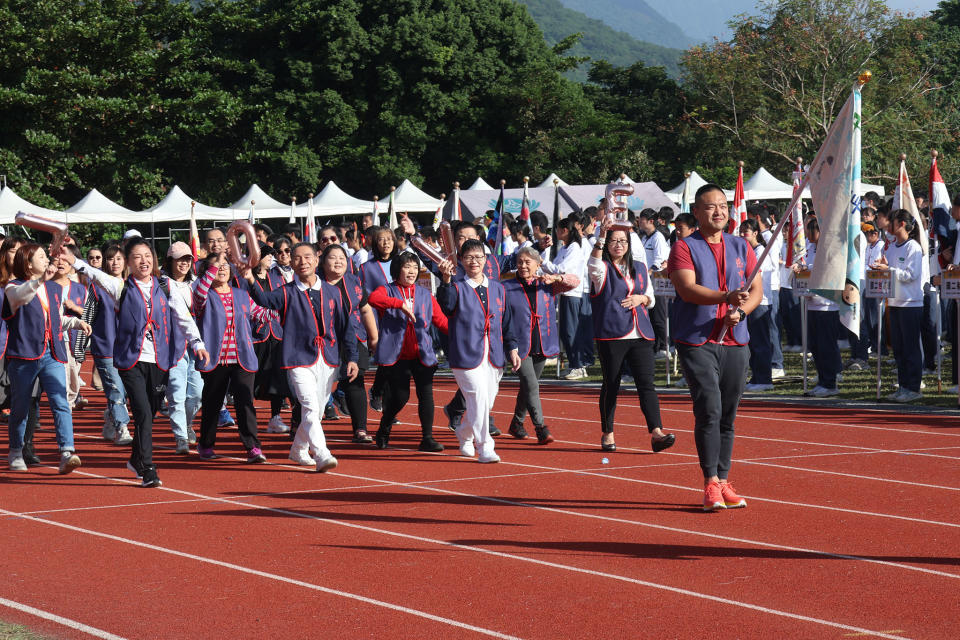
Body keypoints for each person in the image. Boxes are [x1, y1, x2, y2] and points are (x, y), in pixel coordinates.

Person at [69, 239, 210, 488]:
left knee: (151, 413)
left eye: (147, 256)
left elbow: (184, 316)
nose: (143, 261)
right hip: (131, 360)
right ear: (128, 262)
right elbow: (96, 275)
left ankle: (135, 459)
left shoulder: (165, 287)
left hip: (159, 360)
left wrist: (197, 343)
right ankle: (147, 468)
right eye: (136, 257)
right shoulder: (120, 286)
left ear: (154, 260)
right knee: (143, 412)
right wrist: (76, 263)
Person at [668, 184, 761, 511]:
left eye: (723, 206)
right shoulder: (684, 247)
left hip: (736, 340)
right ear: (697, 212)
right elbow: (688, 289)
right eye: (710, 207)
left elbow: (757, 291)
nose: (719, 212)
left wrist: (741, 311)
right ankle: (709, 482)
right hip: (698, 339)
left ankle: (723, 479)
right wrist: (725, 298)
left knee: (728, 413)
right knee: (709, 406)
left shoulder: (741, 246)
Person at [245, 242, 359, 472]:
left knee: (315, 411)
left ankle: (298, 449)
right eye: (296, 258)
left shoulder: (333, 292)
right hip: (297, 358)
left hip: (327, 357)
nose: (302, 262)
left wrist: (353, 357)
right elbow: (264, 301)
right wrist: (249, 279)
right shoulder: (287, 292)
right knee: (308, 404)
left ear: (317, 260)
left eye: (307, 257)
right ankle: (322, 453)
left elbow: (346, 327)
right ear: (291, 264)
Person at [4, 244, 92, 473]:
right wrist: (39, 280)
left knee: (60, 400)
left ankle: (66, 451)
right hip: (24, 355)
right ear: (27, 262)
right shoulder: (13, 287)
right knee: (21, 406)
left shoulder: (54, 288)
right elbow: (22, 298)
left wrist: (76, 322)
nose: (47, 260)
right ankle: (15, 450)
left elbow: (56, 319)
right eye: (41, 257)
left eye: (46, 256)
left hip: (52, 353)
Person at [589, 219, 674, 453]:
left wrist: (642, 299)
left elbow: (651, 296)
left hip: (640, 333)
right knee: (612, 384)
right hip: (612, 334)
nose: (619, 245)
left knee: (646, 384)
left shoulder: (639, 267)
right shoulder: (602, 268)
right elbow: (593, 263)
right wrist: (601, 235)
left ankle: (656, 432)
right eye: (614, 241)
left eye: (623, 241)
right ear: (607, 244)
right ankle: (608, 432)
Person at [437, 239, 519, 463]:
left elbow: (507, 322)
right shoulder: (455, 288)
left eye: (479, 257)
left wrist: (513, 348)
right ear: (461, 261)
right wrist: (445, 279)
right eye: (469, 257)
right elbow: (446, 305)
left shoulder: (498, 288)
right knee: (479, 397)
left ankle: (464, 433)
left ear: (486, 260)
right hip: (465, 354)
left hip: (494, 353)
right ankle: (485, 447)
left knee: (485, 402)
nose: (474, 261)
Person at [193, 253, 273, 461]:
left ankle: (253, 447)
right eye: (216, 266)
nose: (222, 268)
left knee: (245, 402)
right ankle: (206, 444)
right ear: (207, 272)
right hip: (215, 360)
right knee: (212, 403)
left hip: (242, 358)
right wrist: (218, 257)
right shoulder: (203, 296)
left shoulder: (241, 294)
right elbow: (200, 292)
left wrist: (280, 313)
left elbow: (259, 313)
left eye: (225, 266)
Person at [367, 252, 448, 451]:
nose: (411, 271)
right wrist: (399, 304)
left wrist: (465, 331)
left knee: (426, 394)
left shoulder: (425, 294)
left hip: (422, 353)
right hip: (397, 355)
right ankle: (385, 426)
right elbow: (373, 298)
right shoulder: (386, 290)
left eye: (414, 267)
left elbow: (441, 322)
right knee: (401, 396)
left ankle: (427, 438)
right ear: (397, 270)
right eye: (406, 267)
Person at [501, 247, 560, 445]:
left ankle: (517, 424)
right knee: (531, 384)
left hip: (542, 341)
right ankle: (541, 428)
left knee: (527, 387)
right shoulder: (506, 287)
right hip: (518, 345)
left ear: (538, 264)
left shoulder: (546, 283)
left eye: (528, 262)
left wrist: (557, 278)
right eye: (520, 262)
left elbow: (575, 282)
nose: (523, 266)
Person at [320, 243, 378, 443]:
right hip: (324, 340)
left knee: (356, 381)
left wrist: (374, 337)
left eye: (342, 258)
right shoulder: (316, 283)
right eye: (333, 257)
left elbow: (365, 309)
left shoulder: (353, 282)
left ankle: (360, 429)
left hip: (354, 338)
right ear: (322, 261)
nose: (338, 261)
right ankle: (299, 425)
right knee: (317, 386)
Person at [872, 209, 925, 402]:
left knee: (911, 347)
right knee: (899, 348)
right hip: (893, 302)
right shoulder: (891, 247)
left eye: (892, 221)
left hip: (910, 303)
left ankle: (913, 387)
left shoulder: (914, 247)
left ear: (902, 224)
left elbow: (911, 274)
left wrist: (890, 270)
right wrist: (882, 266)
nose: (888, 225)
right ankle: (903, 385)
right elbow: (891, 270)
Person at [88, 244, 133, 445]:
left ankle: (110, 415)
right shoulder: (97, 287)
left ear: (126, 262)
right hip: (105, 346)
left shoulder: (133, 285)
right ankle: (122, 428)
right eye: (110, 259)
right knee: (115, 389)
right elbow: (87, 316)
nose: (114, 263)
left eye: (119, 259)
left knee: (125, 392)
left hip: (130, 349)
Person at [162, 241, 203, 453]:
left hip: (197, 348)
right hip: (173, 346)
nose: (184, 263)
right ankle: (180, 437)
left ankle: (187, 424)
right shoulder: (161, 284)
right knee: (176, 393)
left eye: (187, 259)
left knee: (197, 394)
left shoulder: (196, 283)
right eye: (179, 259)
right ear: (170, 261)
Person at [798, 218, 843, 398]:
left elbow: (830, 275)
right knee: (815, 346)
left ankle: (830, 382)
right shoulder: (811, 249)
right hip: (811, 304)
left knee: (826, 345)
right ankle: (822, 379)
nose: (808, 235)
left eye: (811, 231)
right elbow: (810, 269)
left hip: (826, 305)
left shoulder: (830, 251)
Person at [250, 243, 291, 434]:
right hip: (254, 334)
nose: (271, 258)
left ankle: (275, 417)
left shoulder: (276, 276)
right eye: (267, 255)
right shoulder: (245, 279)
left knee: (277, 377)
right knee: (252, 378)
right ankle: (247, 418)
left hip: (276, 332)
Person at [739, 219, 775, 391]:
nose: (742, 233)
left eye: (747, 230)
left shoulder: (761, 250)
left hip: (761, 301)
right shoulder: (747, 250)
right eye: (741, 230)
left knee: (760, 341)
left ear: (755, 233)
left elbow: (754, 274)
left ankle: (764, 378)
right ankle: (756, 377)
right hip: (748, 301)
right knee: (752, 342)